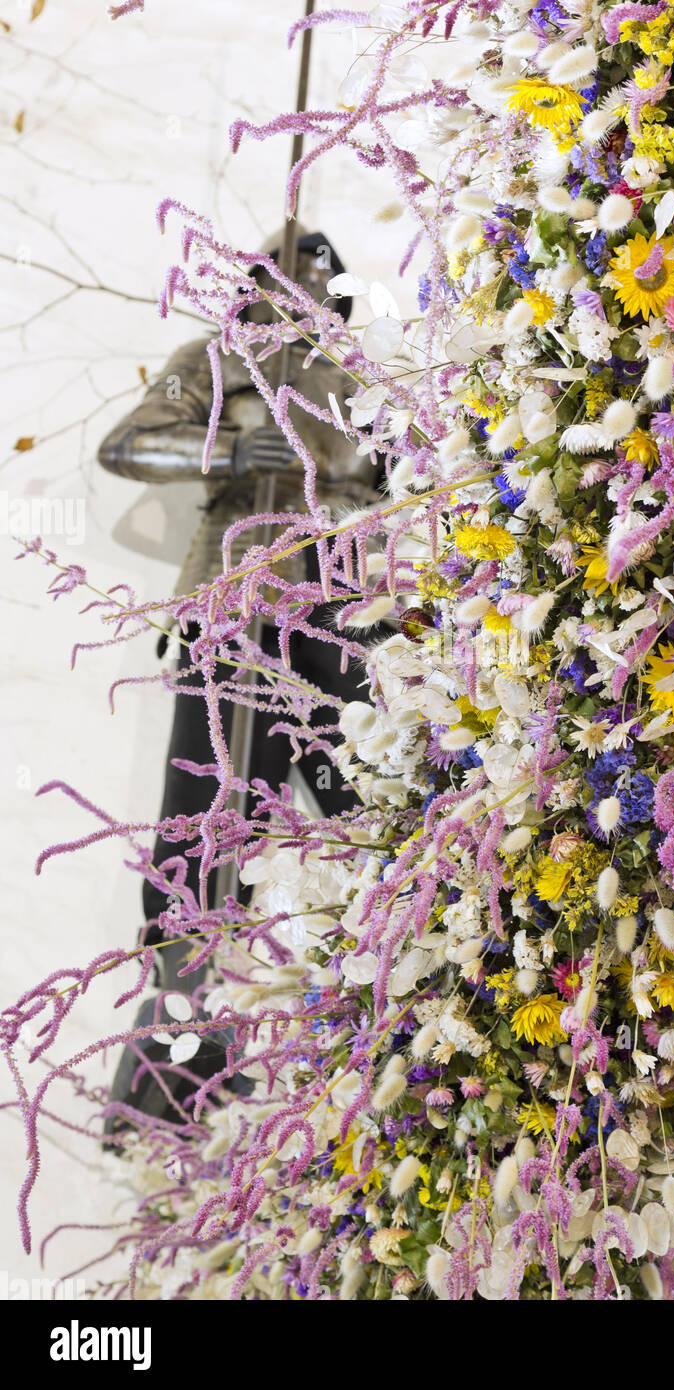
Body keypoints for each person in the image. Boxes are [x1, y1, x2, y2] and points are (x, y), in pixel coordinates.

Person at [98, 232, 379, 1127]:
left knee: (374, 813)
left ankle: (390, 1031)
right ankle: (178, 1059)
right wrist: (227, 450)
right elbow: (131, 443)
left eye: (317, 286)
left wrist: (347, 488)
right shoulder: (214, 363)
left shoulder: (356, 376)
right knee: (204, 831)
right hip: (231, 610)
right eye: (287, 281)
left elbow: (400, 481)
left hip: (334, 611)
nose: (302, 297)